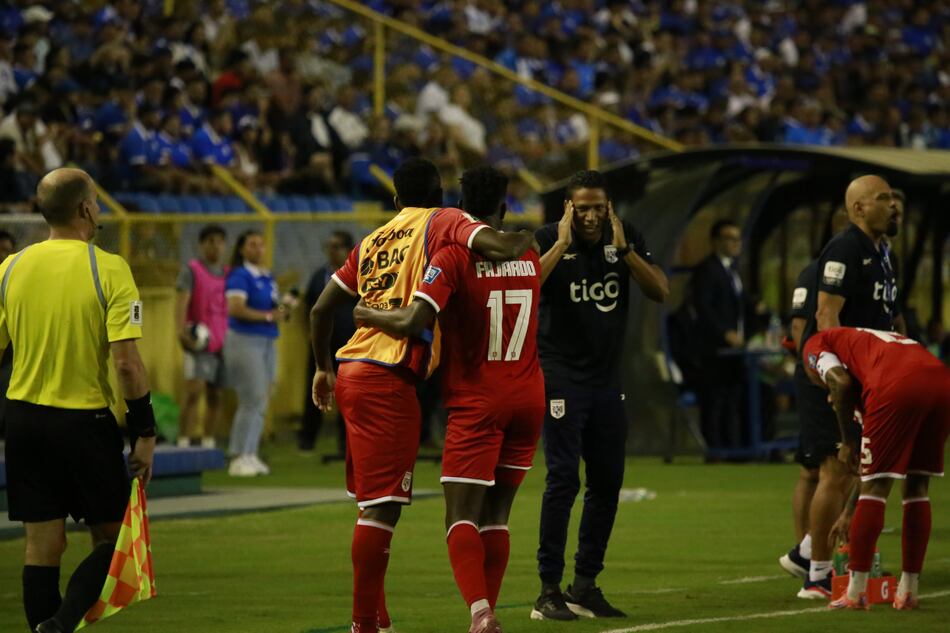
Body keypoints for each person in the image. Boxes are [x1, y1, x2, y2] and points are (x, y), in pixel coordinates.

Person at [310, 157, 536, 633]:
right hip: (390, 376)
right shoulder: (445, 223)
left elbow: (319, 309)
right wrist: (526, 238)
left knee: (371, 503)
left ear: (394, 200)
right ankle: (364, 625)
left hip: (351, 372)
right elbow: (490, 245)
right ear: (440, 198)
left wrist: (321, 369)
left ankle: (379, 618)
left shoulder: (373, 240)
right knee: (383, 510)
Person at [1, 168, 155, 633]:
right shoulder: (107, 267)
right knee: (113, 541)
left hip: (23, 419)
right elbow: (126, 364)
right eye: (98, 203)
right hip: (83, 421)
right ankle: (61, 625)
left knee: (41, 546)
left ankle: (42, 628)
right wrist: (144, 430)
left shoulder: (9, 269)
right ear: (87, 209)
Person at [532, 170, 668, 620]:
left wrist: (625, 249)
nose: (592, 216)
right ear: (568, 208)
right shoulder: (547, 237)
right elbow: (527, 289)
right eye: (582, 208)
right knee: (563, 479)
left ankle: (585, 583)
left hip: (606, 381)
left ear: (610, 207)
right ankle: (548, 589)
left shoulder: (624, 238)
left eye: (599, 208)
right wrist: (561, 243)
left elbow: (659, 290)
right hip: (560, 379)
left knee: (607, 482)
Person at [785, 174, 906, 599]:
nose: (893, 206)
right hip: (832, 375)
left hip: (864, 374)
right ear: (858, 208)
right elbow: (825, 316)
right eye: (883, 199)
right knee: (834, 469)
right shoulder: (845, 247)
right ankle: (816, 575)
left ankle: (805, 553)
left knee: (856, 467)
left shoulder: (882, 253)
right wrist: (835, 373)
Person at [802, 327, 950, 610]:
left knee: (876, 490)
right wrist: (847, 512)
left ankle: (856, 592)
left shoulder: (815, 344)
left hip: (898, 383)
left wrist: (847, 443)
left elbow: (840, 383)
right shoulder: (866, 343)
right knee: (917, 488)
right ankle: (908, 591)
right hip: (941, 381)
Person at [224, 230, 291, 477]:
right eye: (252, 244)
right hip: (245, 339)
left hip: (267, 340)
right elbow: (236, 308)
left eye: (261, 244)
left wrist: (282, 310)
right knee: (251, 397)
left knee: (263, 397)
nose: (258, 249)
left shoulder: (267, 275)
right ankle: (238, 455)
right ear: (242, 249)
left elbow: (272, 306)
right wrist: (268, 316)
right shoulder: (240, 275)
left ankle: (251, 453)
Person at [689, 219, 754, 453]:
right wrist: (725, 333)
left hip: (732, 351)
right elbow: (703, 308)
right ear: (716, 241)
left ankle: (734, 450)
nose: (737, 243)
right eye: (730, 238)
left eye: (738, 238)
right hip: (713, 351)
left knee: (732, 400)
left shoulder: (732, 270)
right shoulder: (707, 270)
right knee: (715, 401)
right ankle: (715, 452)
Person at [299, 230, 355, 455]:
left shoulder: (358, 274)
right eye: (329, 246)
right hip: (322, 343)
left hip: (348, 342)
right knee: (314, 389)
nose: (332, 251)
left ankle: (346, 442)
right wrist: (309, 333)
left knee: (348, 392)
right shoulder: (319, 275)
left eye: (337, 246)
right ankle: (307, 439)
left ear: (349, 250)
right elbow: (308, 307)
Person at [175, 224, 228, 448]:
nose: (215, 246)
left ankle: (208, 441)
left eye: (219, 241)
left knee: (216, 394)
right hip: (198, 341)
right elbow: (181, 303)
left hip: (222, 341)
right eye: (210, 241)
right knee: (194, 392)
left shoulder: (228, 273)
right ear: (202, 244)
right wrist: (181, 332)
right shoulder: (192, 270)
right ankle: (184, 440)